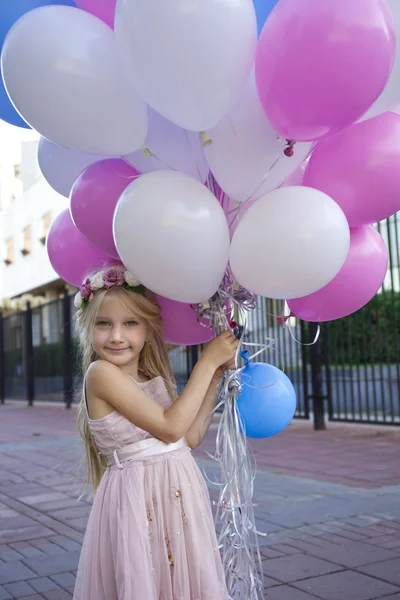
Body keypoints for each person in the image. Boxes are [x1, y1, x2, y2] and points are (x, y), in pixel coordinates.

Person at [72, 265, 238, 600]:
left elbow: (186, 438)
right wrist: (206, 362)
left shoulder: (153, 379)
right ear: (90, 330)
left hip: (176, 494)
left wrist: (215, 377)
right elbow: (170, 426)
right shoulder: (100, 374)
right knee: (144, 579)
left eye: (130, 323)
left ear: (148, 331)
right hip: (138, 496)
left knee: (179, 579)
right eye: (104, 324)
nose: (116, 336)